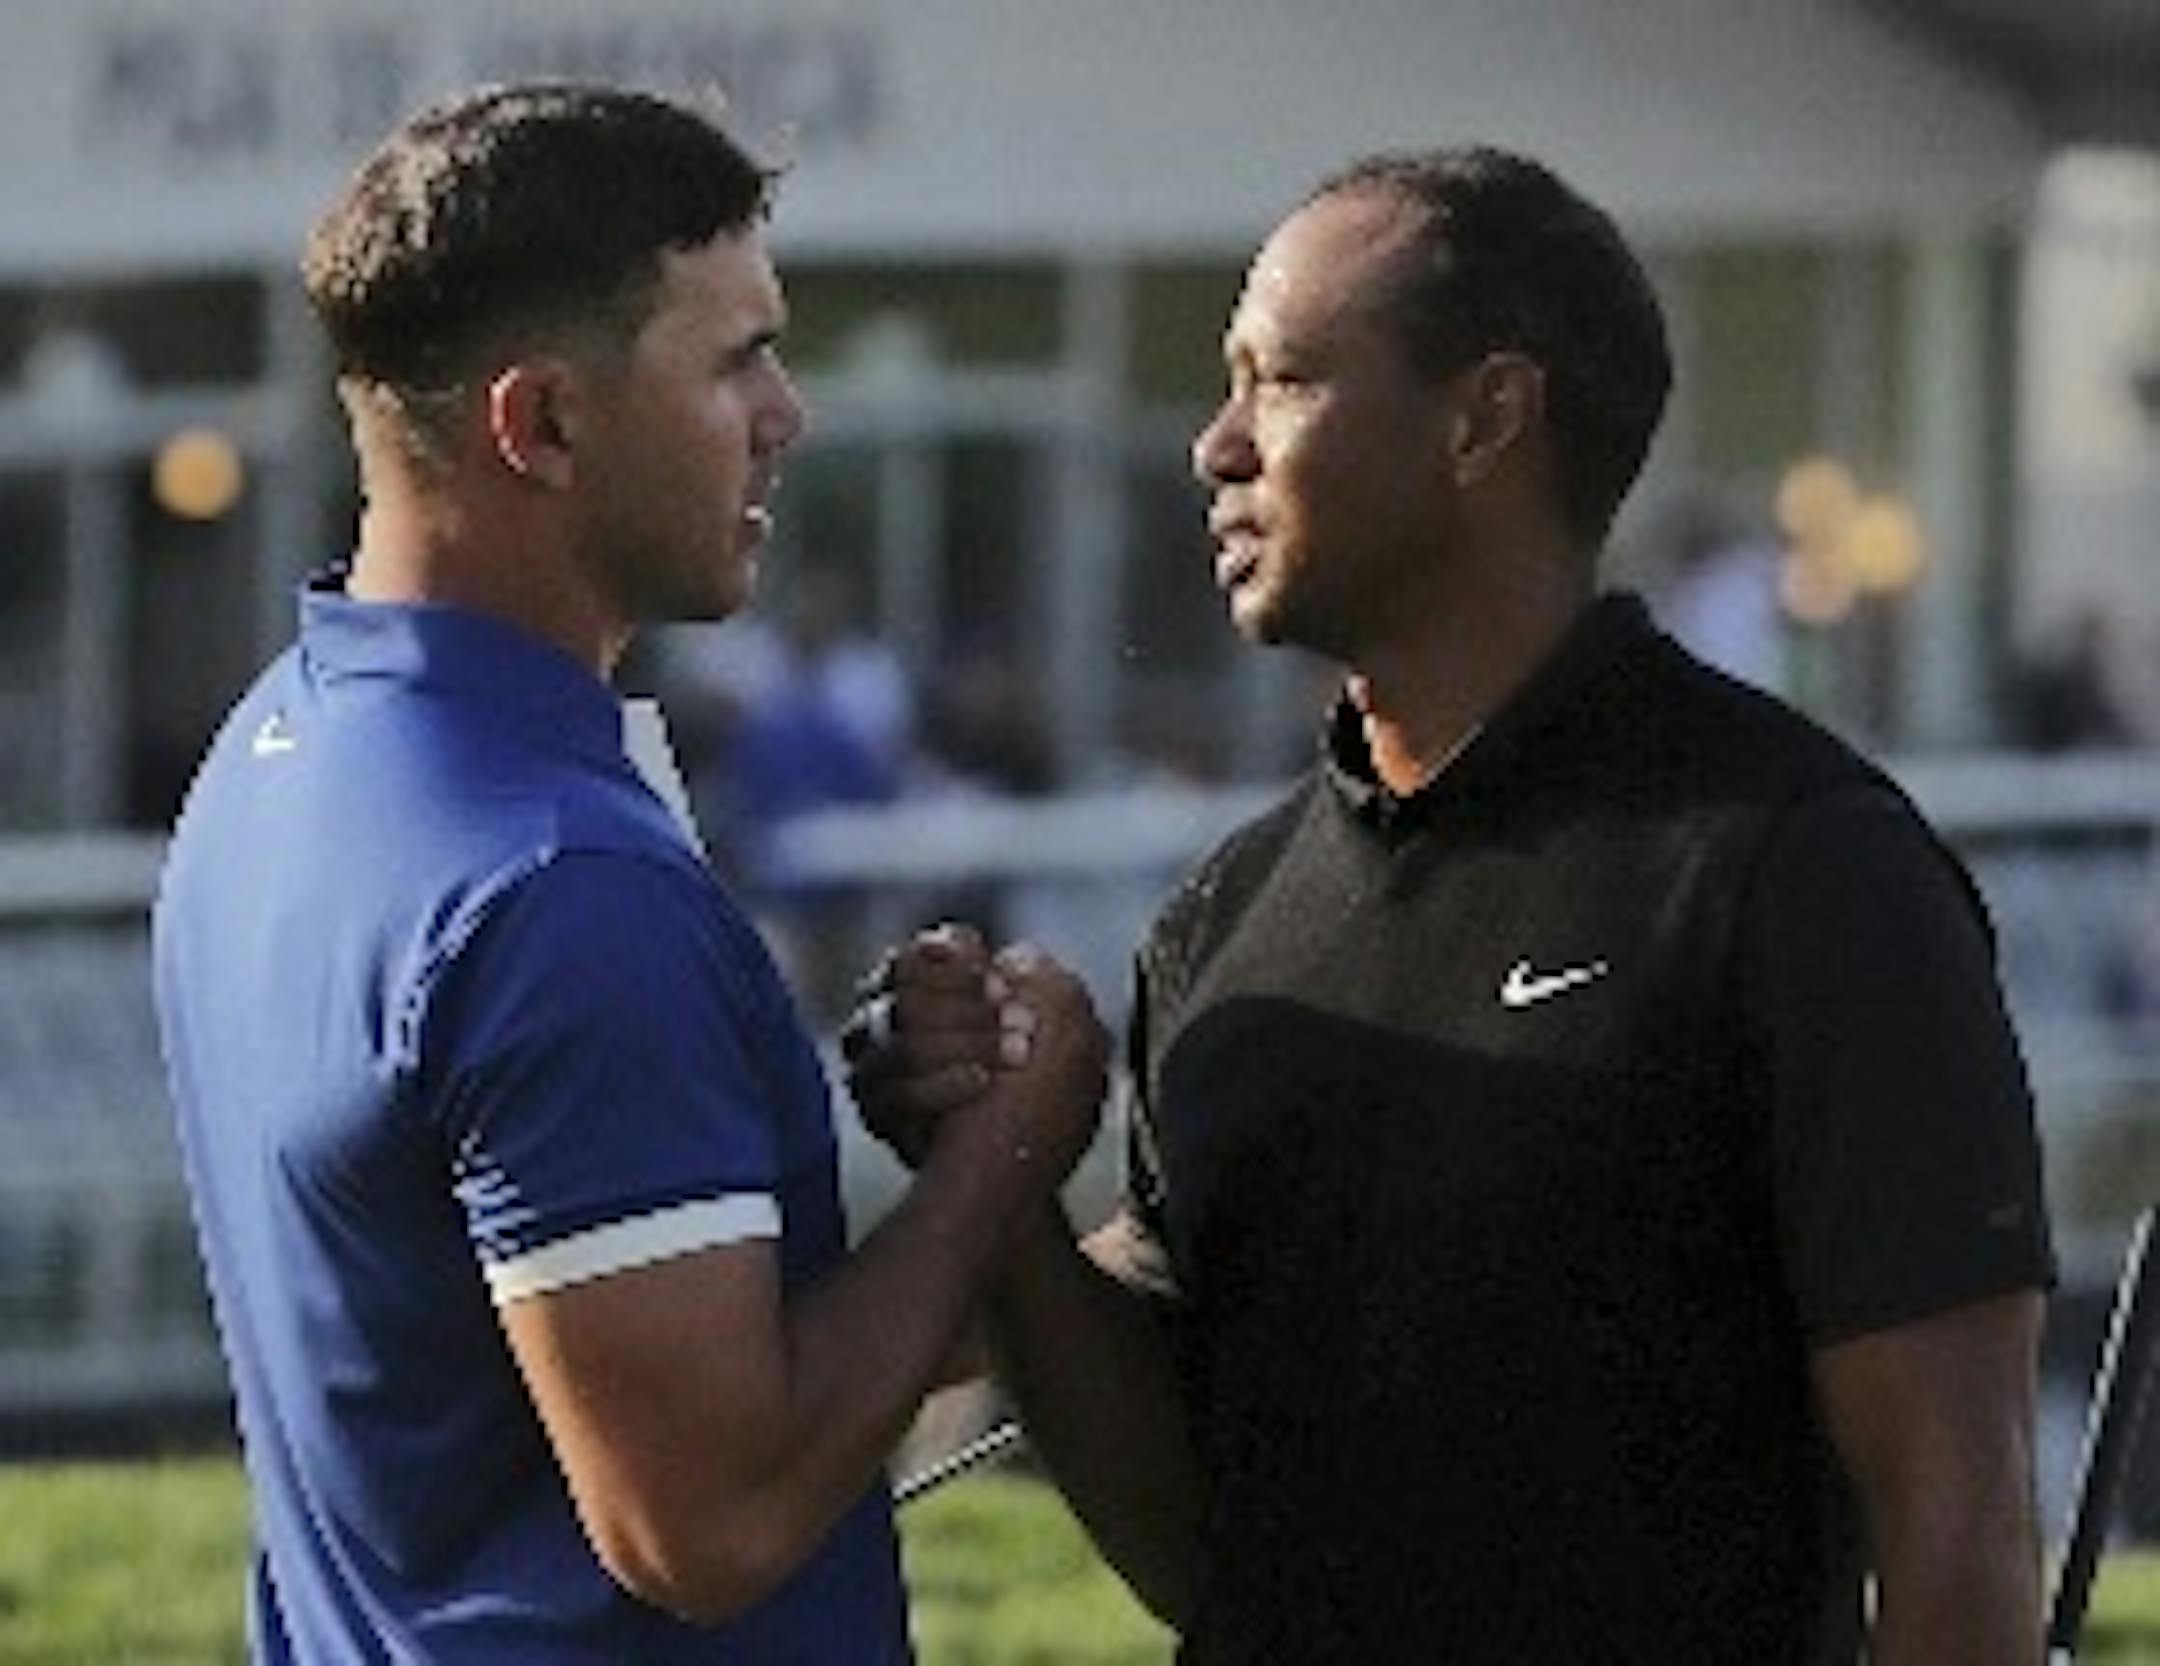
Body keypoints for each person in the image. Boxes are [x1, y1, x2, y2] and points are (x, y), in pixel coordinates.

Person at [849, 146, 2054, 1664]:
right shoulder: (1222, 921)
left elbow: (1961, 1528)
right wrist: (1003, 1177)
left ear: (1485, 417)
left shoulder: (1803, 869)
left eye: (1283, 381)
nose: (1217, 446)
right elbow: (1198, 1546)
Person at [151, 82, 1103, 1663]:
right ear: (540, 424)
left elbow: (518, 1371)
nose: (788, 412)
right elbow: (706, 1524)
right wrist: (1006, 1155)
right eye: (737, 360)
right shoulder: (557, 889)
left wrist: (911, 1163)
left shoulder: (281, 742)